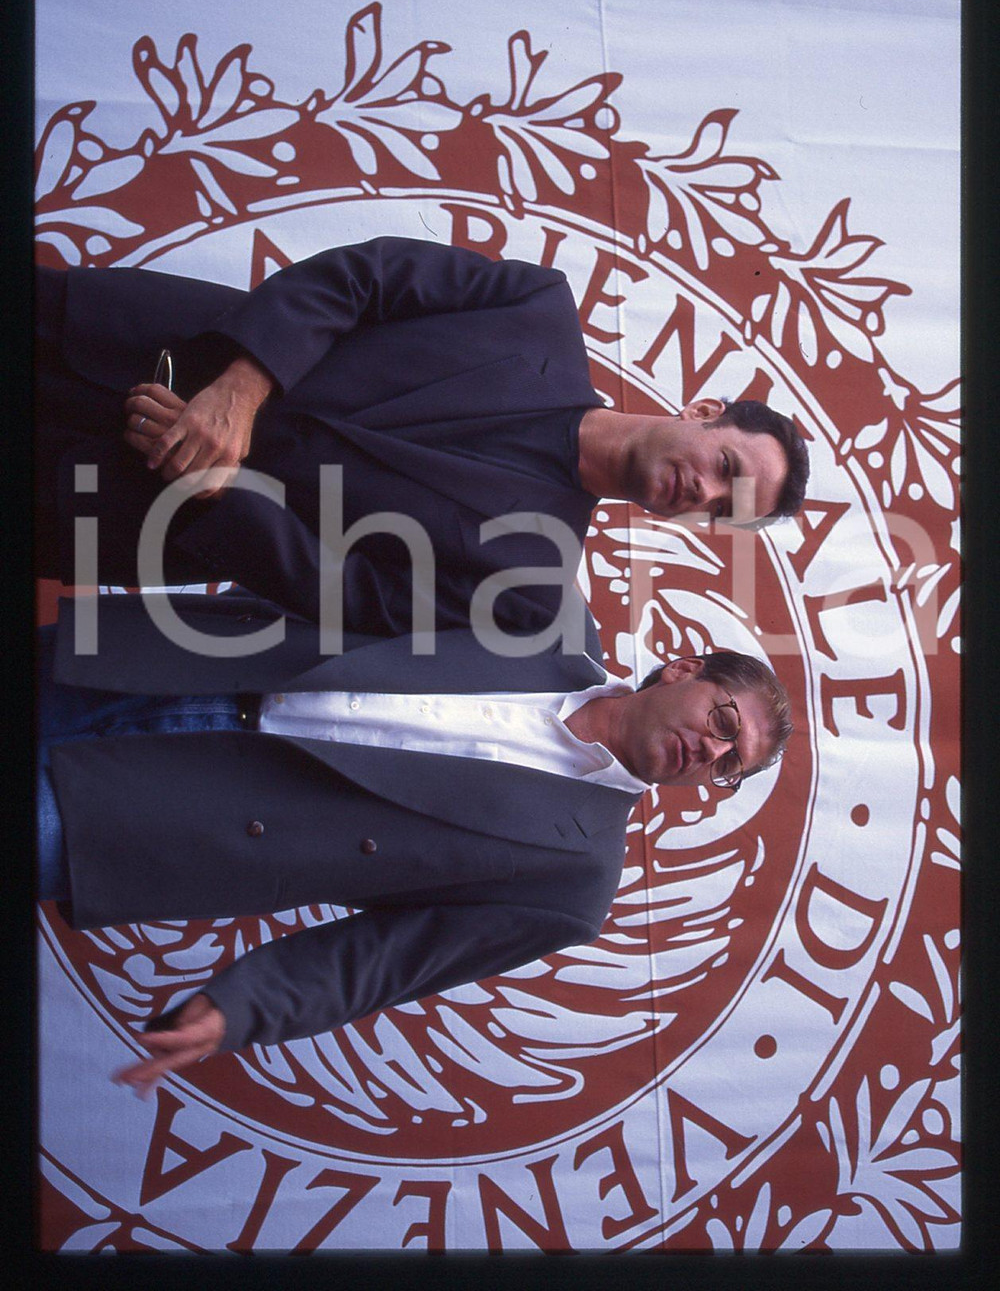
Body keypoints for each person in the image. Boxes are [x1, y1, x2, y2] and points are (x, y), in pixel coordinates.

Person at [37, 591, 792, 1094]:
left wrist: (242, 1009)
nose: (714, 754)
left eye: (733, 767)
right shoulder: (549, 613)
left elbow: (387, 962)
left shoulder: (578, 881)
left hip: (168, 816)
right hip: (174, 665)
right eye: (724, 724)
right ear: (686, 669)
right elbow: (364, 563)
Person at [36, 237, 809, 638]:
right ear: (706, 410)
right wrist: (241, 390)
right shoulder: (536, 305)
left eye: (721, 508)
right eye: (725, 468)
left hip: (129, 513)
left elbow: (344, 594)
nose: (704, 492)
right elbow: (361, 277)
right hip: (122, 338)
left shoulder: (530, 588)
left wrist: (216, 492)